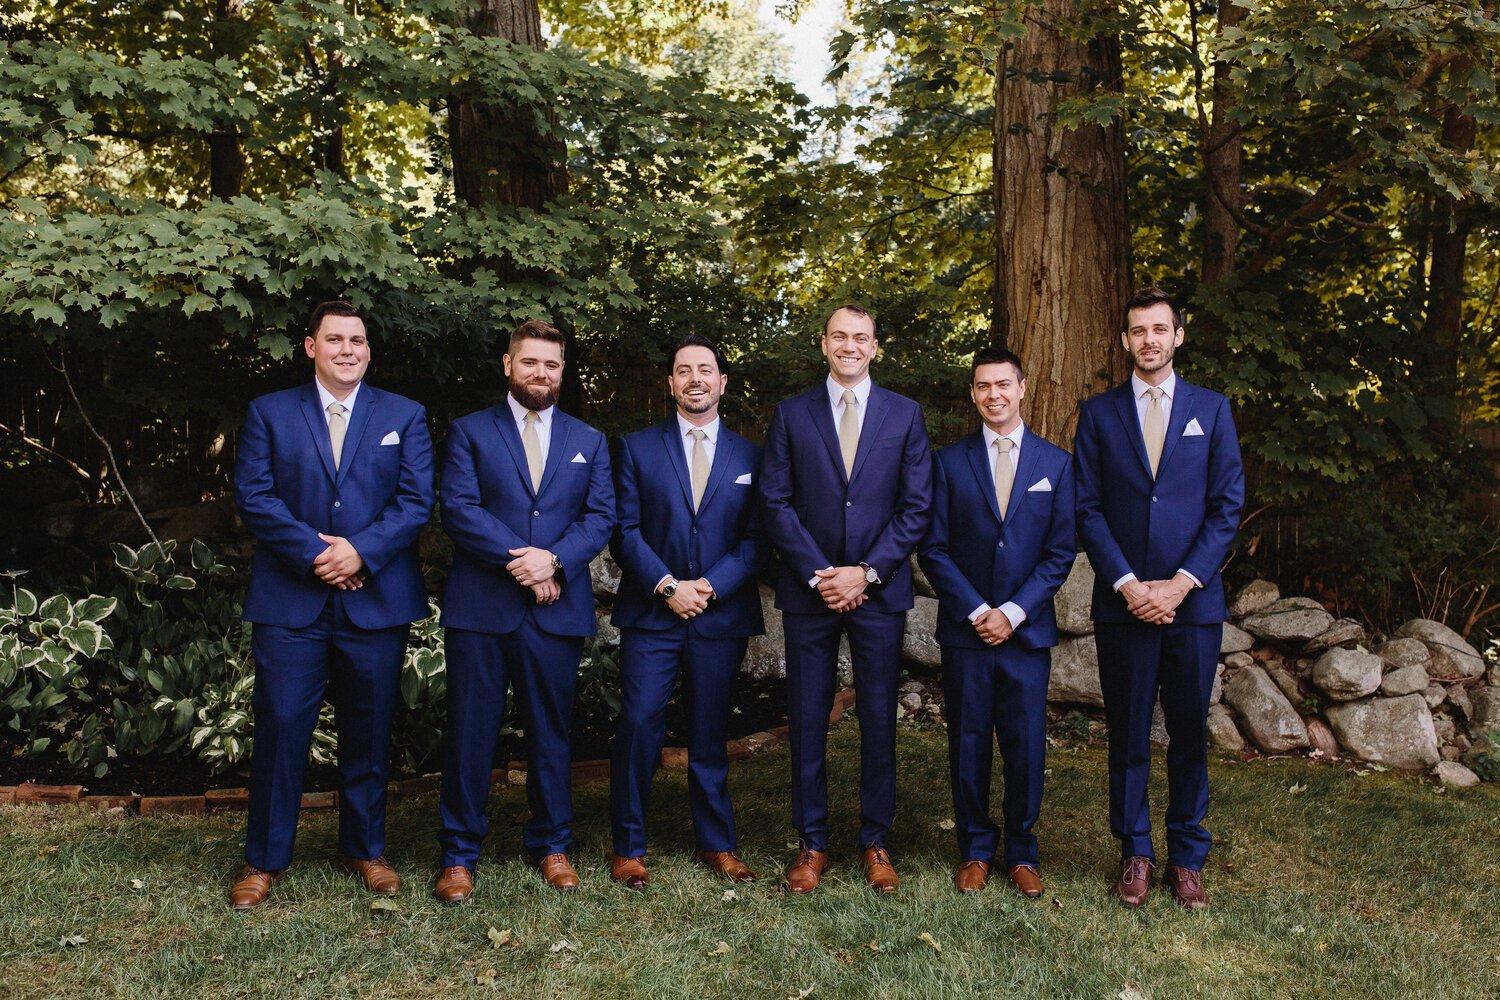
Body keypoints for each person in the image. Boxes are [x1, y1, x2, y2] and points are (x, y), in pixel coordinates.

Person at [230, 299, 435, 910]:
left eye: (358, 340)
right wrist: (319, 554)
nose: (348, 349)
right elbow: (255, 496)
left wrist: (360, 553)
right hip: (291, 601)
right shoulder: (270, 412)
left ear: (368, 351)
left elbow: (415, 502)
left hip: (375, 600)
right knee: (281, 728)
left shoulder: (404, 415)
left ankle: (365, 850)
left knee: (368, 730)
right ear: (311, 347)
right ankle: (264, 860)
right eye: (336, 339)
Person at [1073, 286, 1244, 910]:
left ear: (1178, 336)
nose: (1149, 340)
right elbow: (1087, 507)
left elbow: (1226, 507)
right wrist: (1127, 583)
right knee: (1127, 733)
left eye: (1160, 329)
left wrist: (1180, 582)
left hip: (1192, 605)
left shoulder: (1212, 409)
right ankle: (1136, 852)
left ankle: (1188, 858)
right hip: (1123, 603)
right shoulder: (1098, 414)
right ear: (1125, 340)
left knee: (1189, 733)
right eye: (1139, 330)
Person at [434, 319, 615, 902]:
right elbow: (459, 508)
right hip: (482, 608)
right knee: (470, 733)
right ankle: (459, 853)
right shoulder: (469, 431)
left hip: (555, 609)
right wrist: (526, 562)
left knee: (551, 731)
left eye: (552, 364)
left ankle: (552, 844)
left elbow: (600, 517)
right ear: (508, 365)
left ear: (562, 371)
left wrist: (554, 561)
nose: (542, 372)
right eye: (531, 362)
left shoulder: (589, 440)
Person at [758, 304, 933, 893]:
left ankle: (876, 840)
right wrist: (821, 574)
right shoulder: (792, 414)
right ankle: (811, 842)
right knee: (808, 716)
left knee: (879, 716)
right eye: (840, 336)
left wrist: (866, 573)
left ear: (875, 346)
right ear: (824, 344)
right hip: (810, 593)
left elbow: (916, 507)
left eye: (861, 337)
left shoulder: (905, 415)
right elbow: (775, 501)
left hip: (877, 593)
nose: (850, 346)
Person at [606, 334, 766, 889]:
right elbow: (623, 530)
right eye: (683, 370)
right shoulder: (636, 448)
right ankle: (629, 845)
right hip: (653, 613)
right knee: (638, 724)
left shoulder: (752, 456)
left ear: (722, 381)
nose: (695, 378)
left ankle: (717, 843)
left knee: (710, 729)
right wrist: (669, 585)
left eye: (705, 369)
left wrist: (710, 587)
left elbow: (757, 539)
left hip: (720, 615)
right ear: (670, 383)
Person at [918, 346, 1075, 898]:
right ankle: (976, 849)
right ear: (973, 394)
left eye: (1003, 384)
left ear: (1022, 387)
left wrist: (1011, 611)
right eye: (983, 386)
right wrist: (977, 610)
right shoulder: (947, 463)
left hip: (1026, 632)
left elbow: (1059, 553)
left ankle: (1023, 851)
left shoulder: (1056, 464)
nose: (994, 395)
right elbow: (933, 549)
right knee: (968, 741)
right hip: (967, 630)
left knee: (1026, 744)